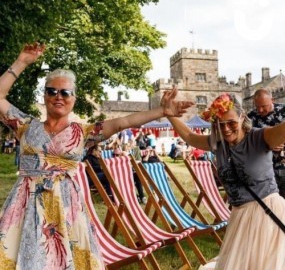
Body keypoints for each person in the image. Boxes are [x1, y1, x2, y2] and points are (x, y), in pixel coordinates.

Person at [0, 42, 192, 269]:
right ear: (44, 95)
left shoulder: (84, 133)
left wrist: (162, 111)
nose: (58, 96)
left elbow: (124, 122)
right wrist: (21, 62)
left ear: (74, 98)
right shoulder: (25, 125)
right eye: (51, 91)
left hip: (65, 206)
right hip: (25, 202)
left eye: (65, 92)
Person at [163, 91, 285, 270]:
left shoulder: (260, 137)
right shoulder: (218, 143)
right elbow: (189, 137)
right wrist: (169, 114)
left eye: (231, 123)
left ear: (242, 117)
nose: (226, 129)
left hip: (266, 214)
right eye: (220, 124)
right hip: (239, 216)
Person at [248, 88, 285, 198]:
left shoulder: (283, 111)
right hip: (262, 168)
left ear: (272, 100)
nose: (260, 110)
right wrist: (268, 144)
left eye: (263, 106)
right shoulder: (250, 117)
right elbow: (247, 141)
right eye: (257, 106)